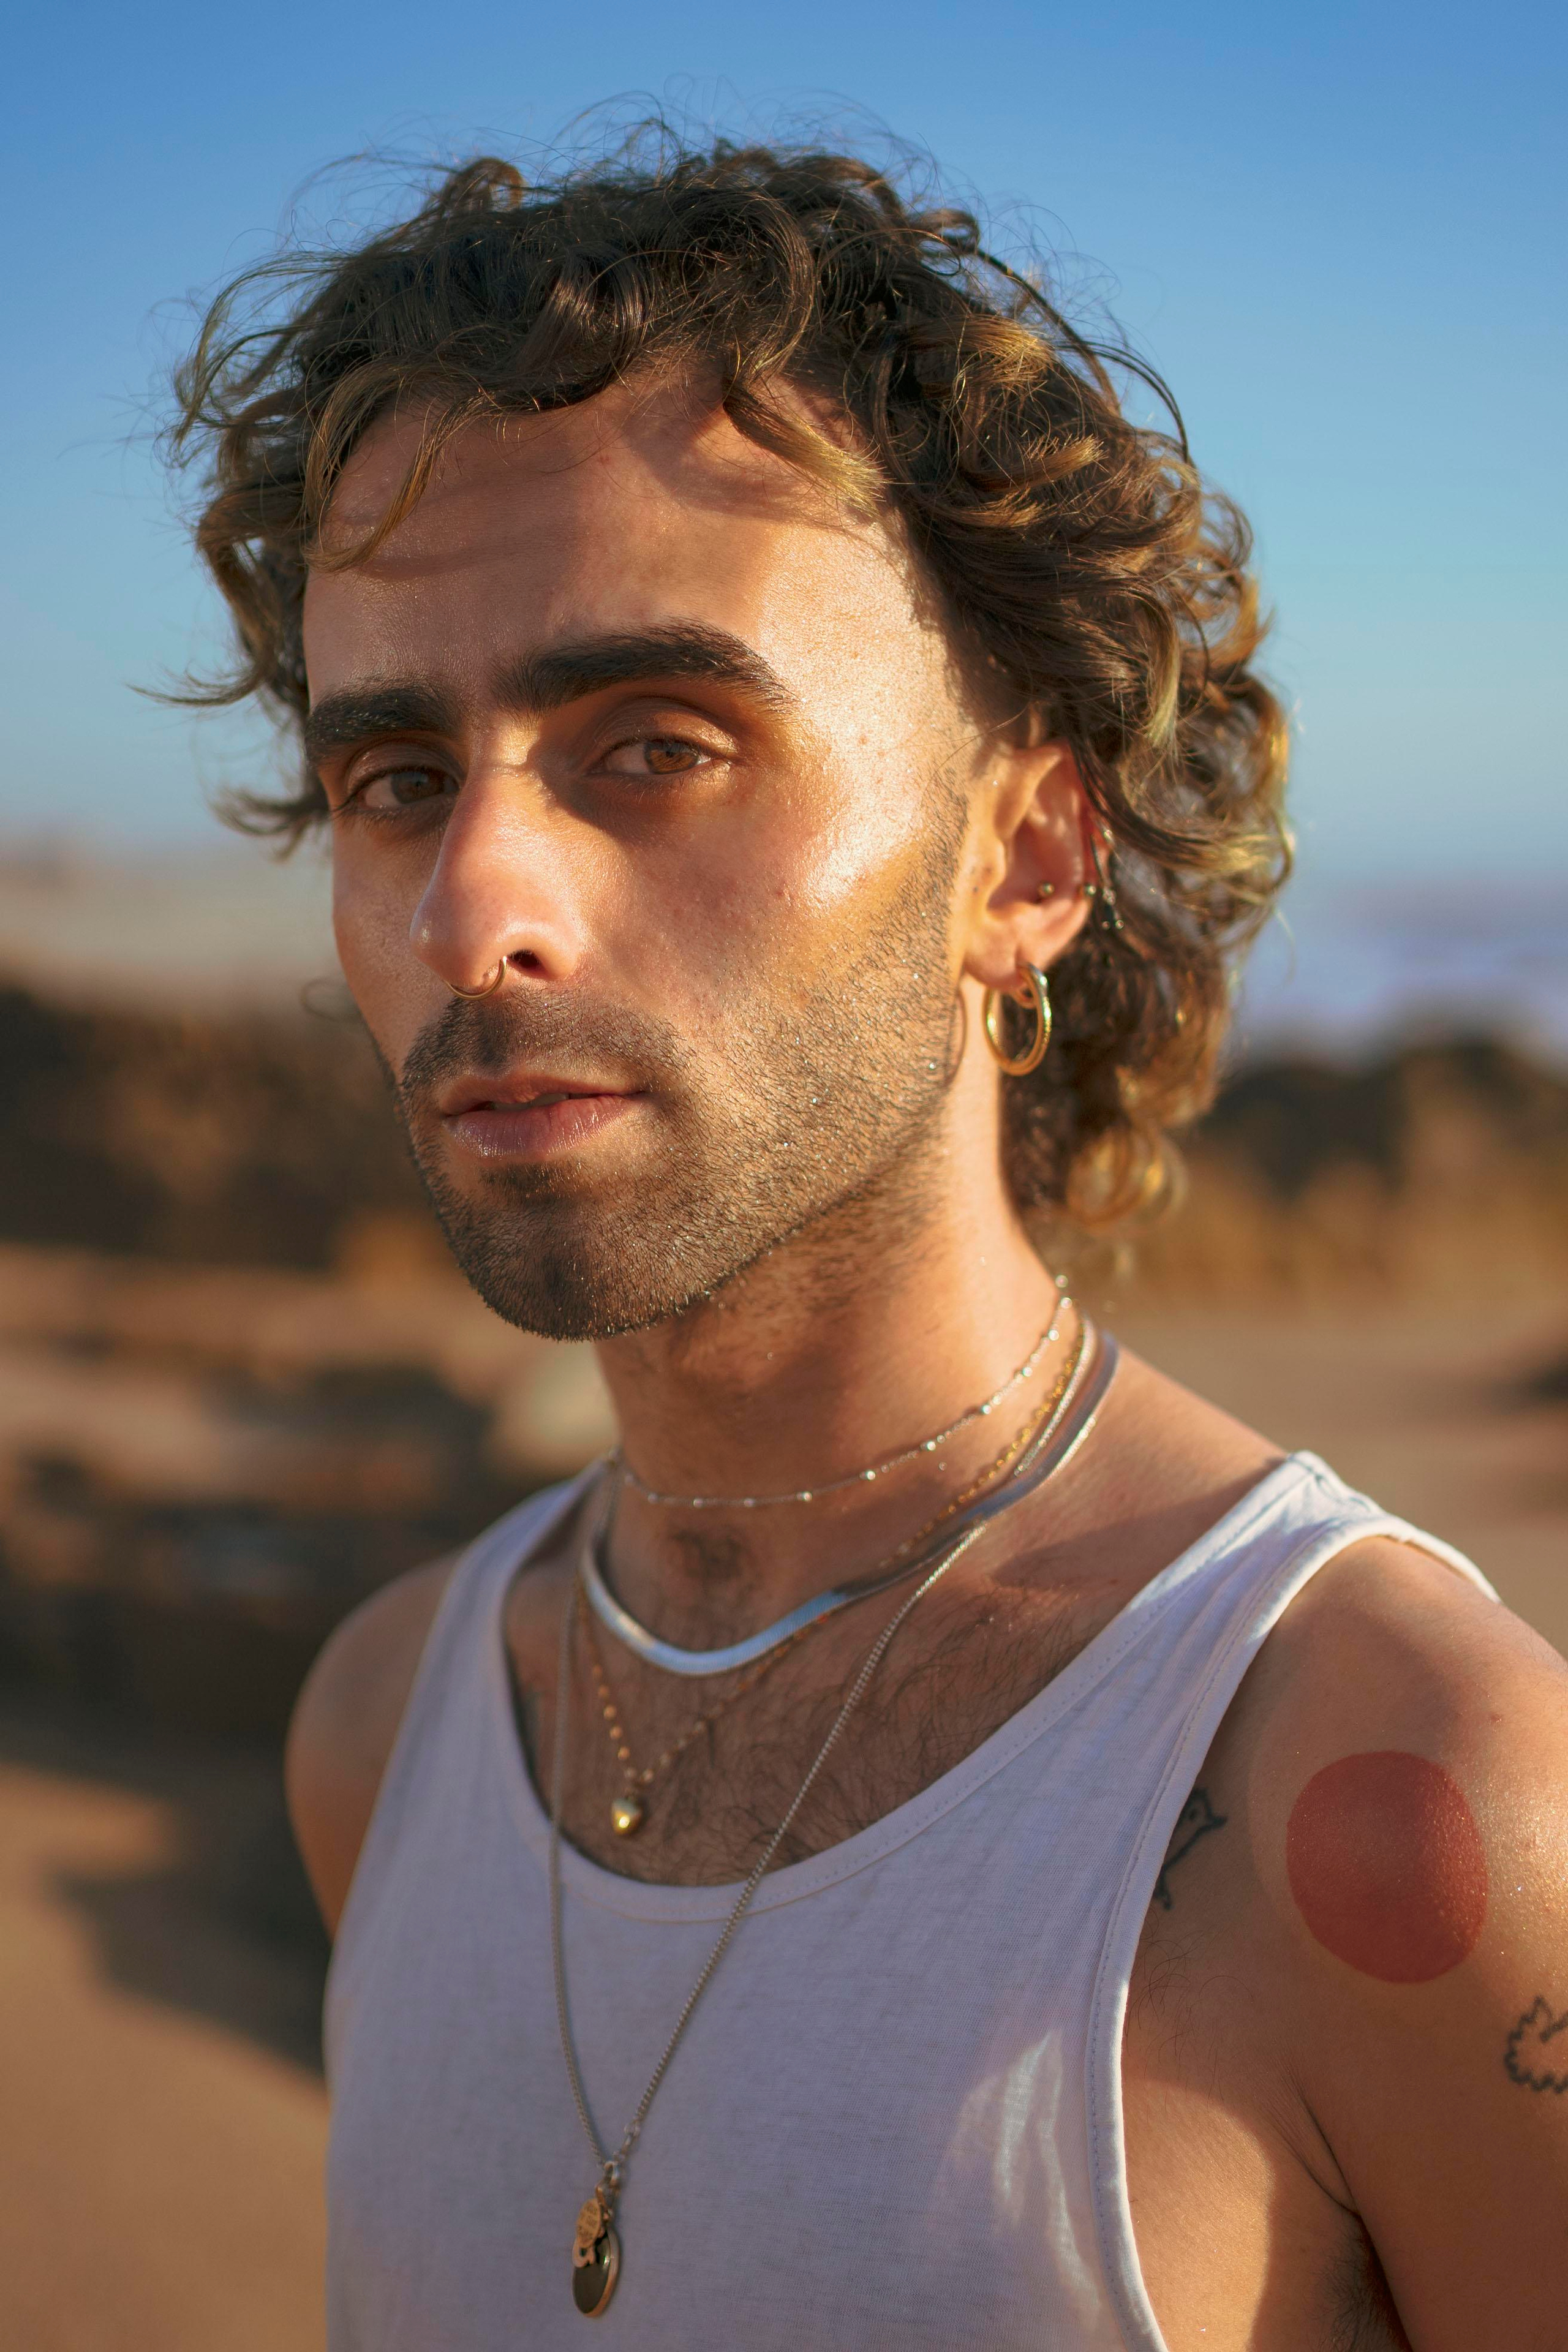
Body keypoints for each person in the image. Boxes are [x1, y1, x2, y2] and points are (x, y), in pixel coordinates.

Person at [168, 134, 1568, 2350]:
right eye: (398, 778)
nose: (469, 909)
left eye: (658, 745)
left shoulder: (1399, 1798)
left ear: (1028, 862)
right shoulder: (390, 1733)